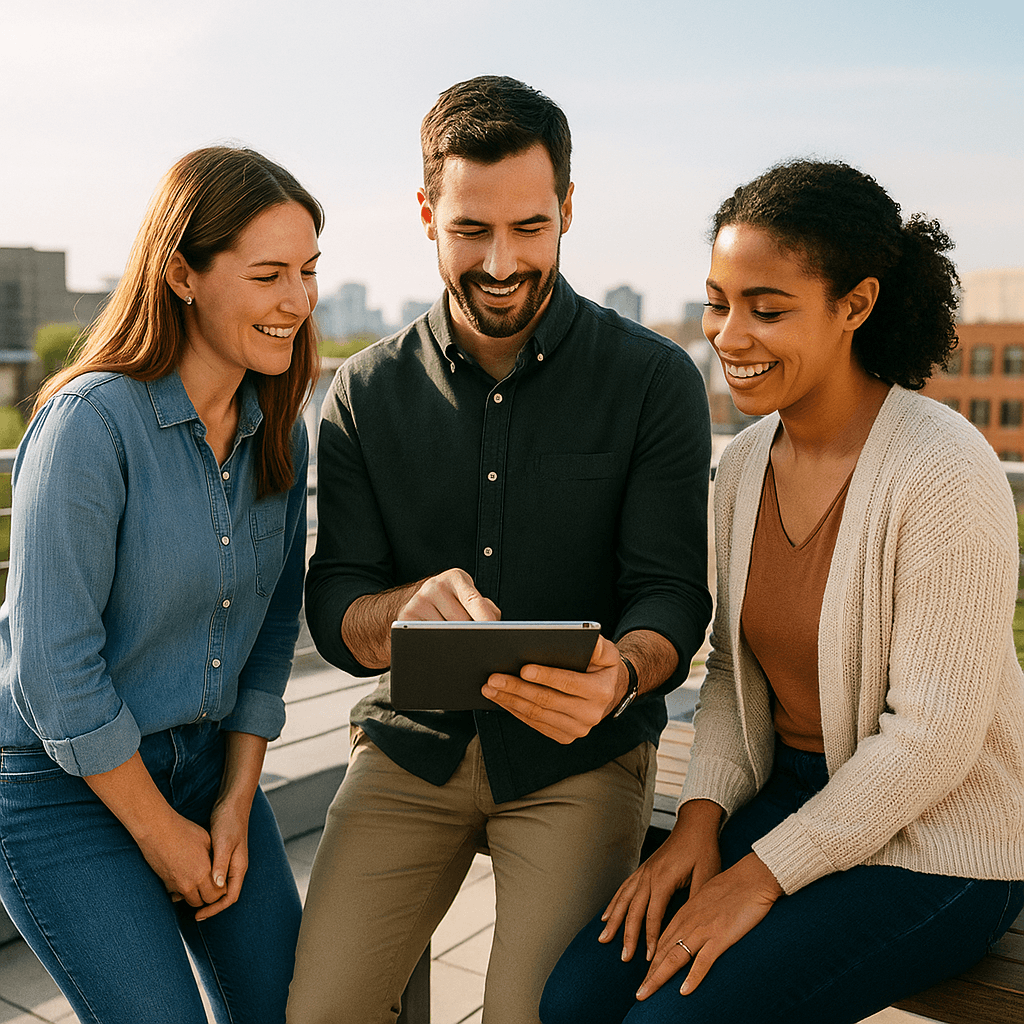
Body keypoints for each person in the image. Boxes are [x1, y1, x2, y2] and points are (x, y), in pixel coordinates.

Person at [539, 159, 1024, 1024]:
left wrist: (753, 878)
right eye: (718, 302)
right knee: (576, 1001)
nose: (729, 335)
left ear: (856, 305)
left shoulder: (946, 470)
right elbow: (732, 671)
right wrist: (698, 824)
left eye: (768, 309)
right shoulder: (744, 467)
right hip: (795, 792)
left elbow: (932, 743)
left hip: (944, 841)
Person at [287, 75, 712, 1024]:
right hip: (411, 750)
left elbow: (673, 595)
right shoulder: (360, 394)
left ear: (567, 207)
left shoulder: (653, 381)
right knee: (319, 1014)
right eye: (471, 230)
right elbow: (336, 602)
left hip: (579, 761)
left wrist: (625, 675)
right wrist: (396, 611)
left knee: (533, 1016)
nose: (503, 261)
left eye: (529, 226)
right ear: (427, 213)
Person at [0, 145, 322, 1024]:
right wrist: (158, 831)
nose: (297, 302)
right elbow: (54, 674)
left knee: (298, 1010)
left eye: (308, 271)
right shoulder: (87, 426)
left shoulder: (278, 437)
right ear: (182, 272)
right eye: (268, 275)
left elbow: (267, 640)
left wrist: (235, 798)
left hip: (210, 770)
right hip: (62, 788)